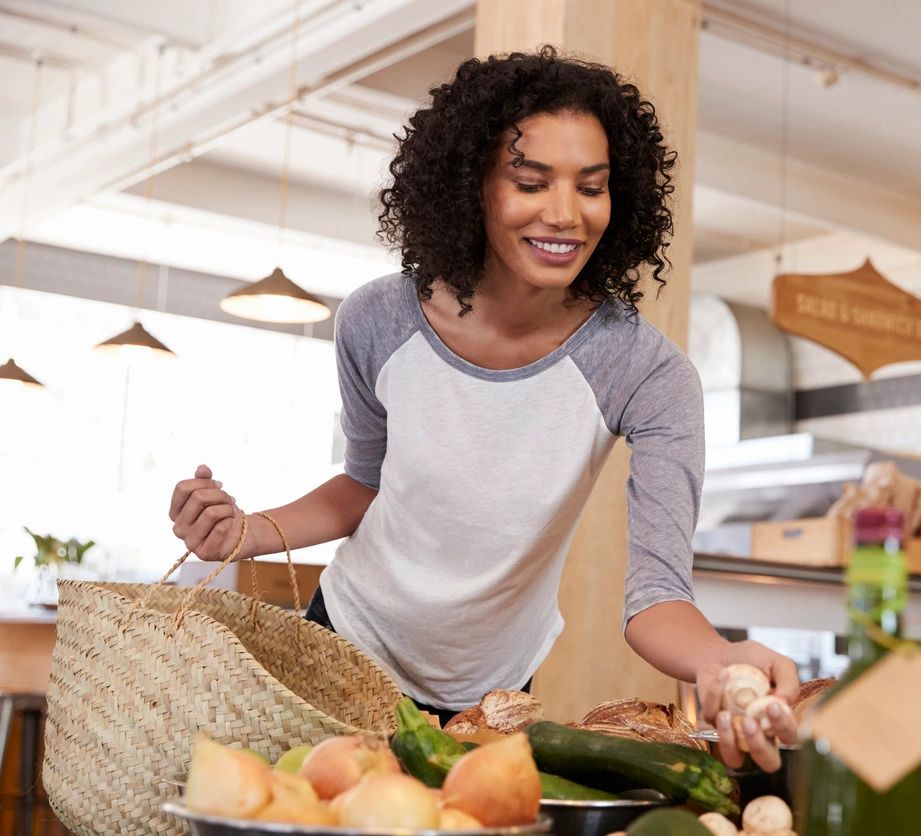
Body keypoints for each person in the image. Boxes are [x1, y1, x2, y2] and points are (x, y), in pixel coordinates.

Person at [167, 47, 798, 771]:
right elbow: (363, 486)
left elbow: (656, 594)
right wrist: (243, 531)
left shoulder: (647, 374)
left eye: (591, 187)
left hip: (490, 696)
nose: (565, 214)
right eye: (531, 182)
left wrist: (717, 661)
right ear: (472, 186)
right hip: (345, 643)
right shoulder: (378, 321)